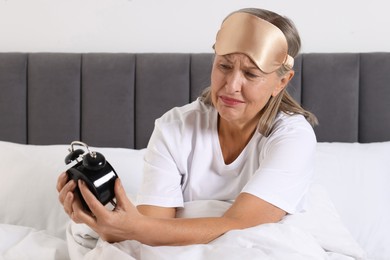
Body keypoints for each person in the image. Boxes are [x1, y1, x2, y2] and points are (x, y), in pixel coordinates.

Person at [57, 7, 318, 247]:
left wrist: (134, 227)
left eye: (251, 74)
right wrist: (104, 222)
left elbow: (239, 226)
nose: (231, 85)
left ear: (281, 82)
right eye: (224, 66)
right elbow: (150, 231)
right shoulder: (175, 127)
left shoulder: (293, 137)